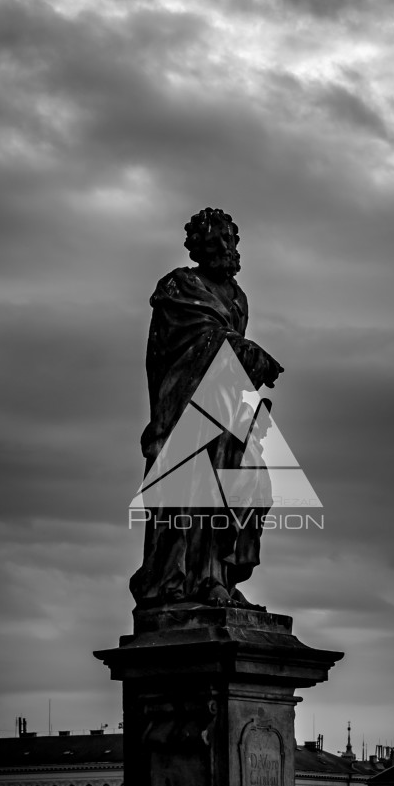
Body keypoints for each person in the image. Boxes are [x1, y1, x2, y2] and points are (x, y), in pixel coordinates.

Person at [130, 207, 283, 609]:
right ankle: (196, 580)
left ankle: (222, 575)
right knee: (198, 493)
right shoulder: (180, 285)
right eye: (215, 243)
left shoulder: (238, 297)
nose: (226, 249)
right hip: (187, 405)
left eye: (230, 241)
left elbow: (226, 346)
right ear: (197, 249)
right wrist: (239, 347)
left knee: (249, 488)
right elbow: (188, 342)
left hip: (228, 405)